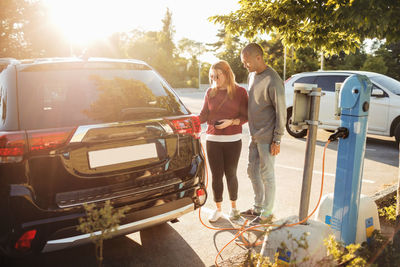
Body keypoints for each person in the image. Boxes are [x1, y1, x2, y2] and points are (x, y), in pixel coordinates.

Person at [240, 43, 286, 225]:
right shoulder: (252, 76)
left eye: (246, 61)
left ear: (258, 57)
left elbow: (281, 111)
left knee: (267, 175)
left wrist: (278, 139)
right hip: (254, 135)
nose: (245, 65)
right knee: (252, 171)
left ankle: (267, 214)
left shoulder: (273, 79)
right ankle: (257, 207)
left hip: (268, 137)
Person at [198, 60, 248, 223]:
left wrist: (231, 122)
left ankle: (234, 209)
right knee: (216, 176)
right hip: (212, 140)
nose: (214, 80)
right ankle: (218, 209)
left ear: (226, 74)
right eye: (211, 76)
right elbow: (203, 115)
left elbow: (246, 116)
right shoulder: (210, 92)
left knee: (231, 174)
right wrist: (190, 122)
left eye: (217, 76)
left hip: (233, 140)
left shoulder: (240, 92)